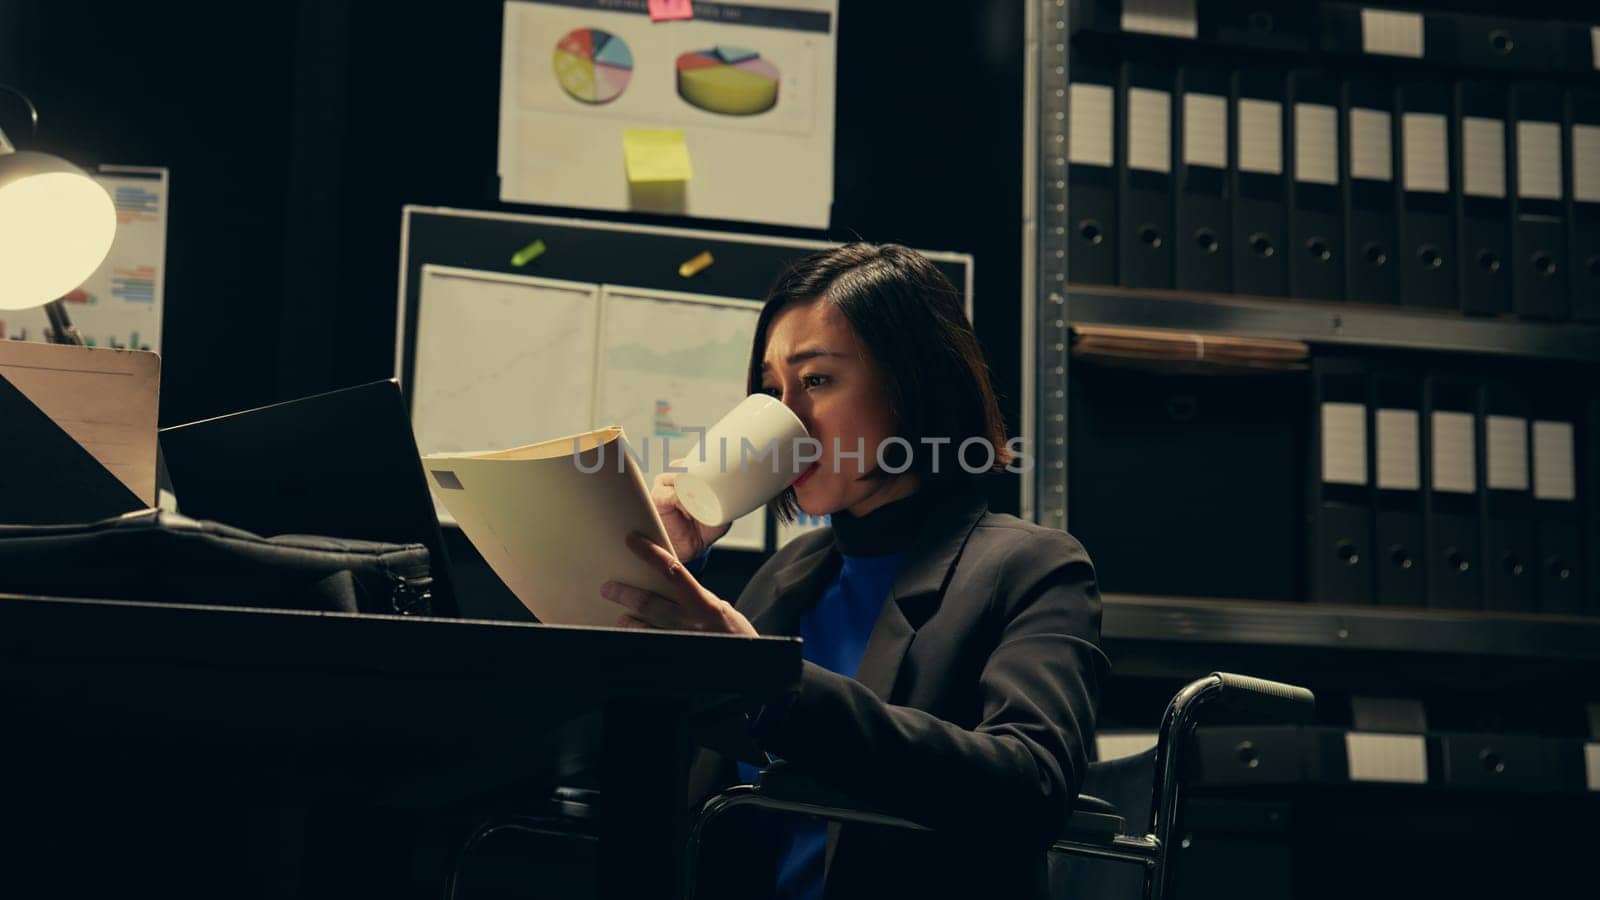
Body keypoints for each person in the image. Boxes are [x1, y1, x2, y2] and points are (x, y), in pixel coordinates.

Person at [599, 243, 1108, 900]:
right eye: (771, 389)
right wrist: (650, 567)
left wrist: (771, 687)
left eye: (816, 381)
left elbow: (1031, 785)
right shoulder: (788, 577)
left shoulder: (1032, 567)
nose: (787, 416)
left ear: (911, 385)